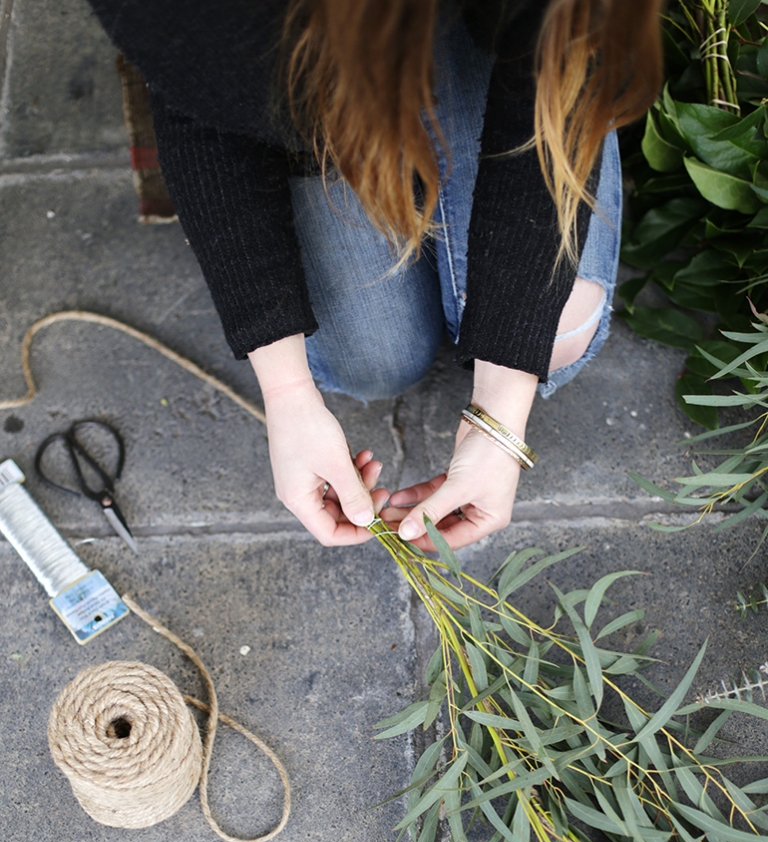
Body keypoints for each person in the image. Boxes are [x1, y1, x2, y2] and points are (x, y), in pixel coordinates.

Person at [88, 0, 663, 550]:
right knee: (365, 362)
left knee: (555, 333)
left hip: (493, 42)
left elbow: (560, 88)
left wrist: (500, 423)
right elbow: (200, 113)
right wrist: (286, 394)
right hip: (304, 84)